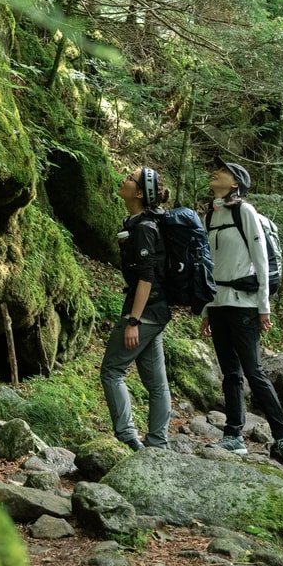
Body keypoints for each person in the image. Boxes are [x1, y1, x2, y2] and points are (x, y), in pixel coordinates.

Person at [201, 157, 283, 465]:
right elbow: (209, 265)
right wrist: (206, 309)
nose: (215, 172)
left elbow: (260, 259)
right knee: (230, 373)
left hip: (245, 305)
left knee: (254, 372)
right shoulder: (211, 215)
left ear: (235, 183)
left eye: (223, 171)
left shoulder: (246, 211)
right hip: (218, 304)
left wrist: (264, 306)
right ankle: (234, 436)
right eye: (216, 168)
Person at [100, 167, 172, 451]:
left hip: (145, 312)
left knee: (112, 371)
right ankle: (157, 443)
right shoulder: (139, 222)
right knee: (156, 382)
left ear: (140, 193)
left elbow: (146, 277)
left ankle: (127, 437)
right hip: (156, 312)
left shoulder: (144, 228)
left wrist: (133, 321)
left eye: (130, 178)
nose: (124, 179)